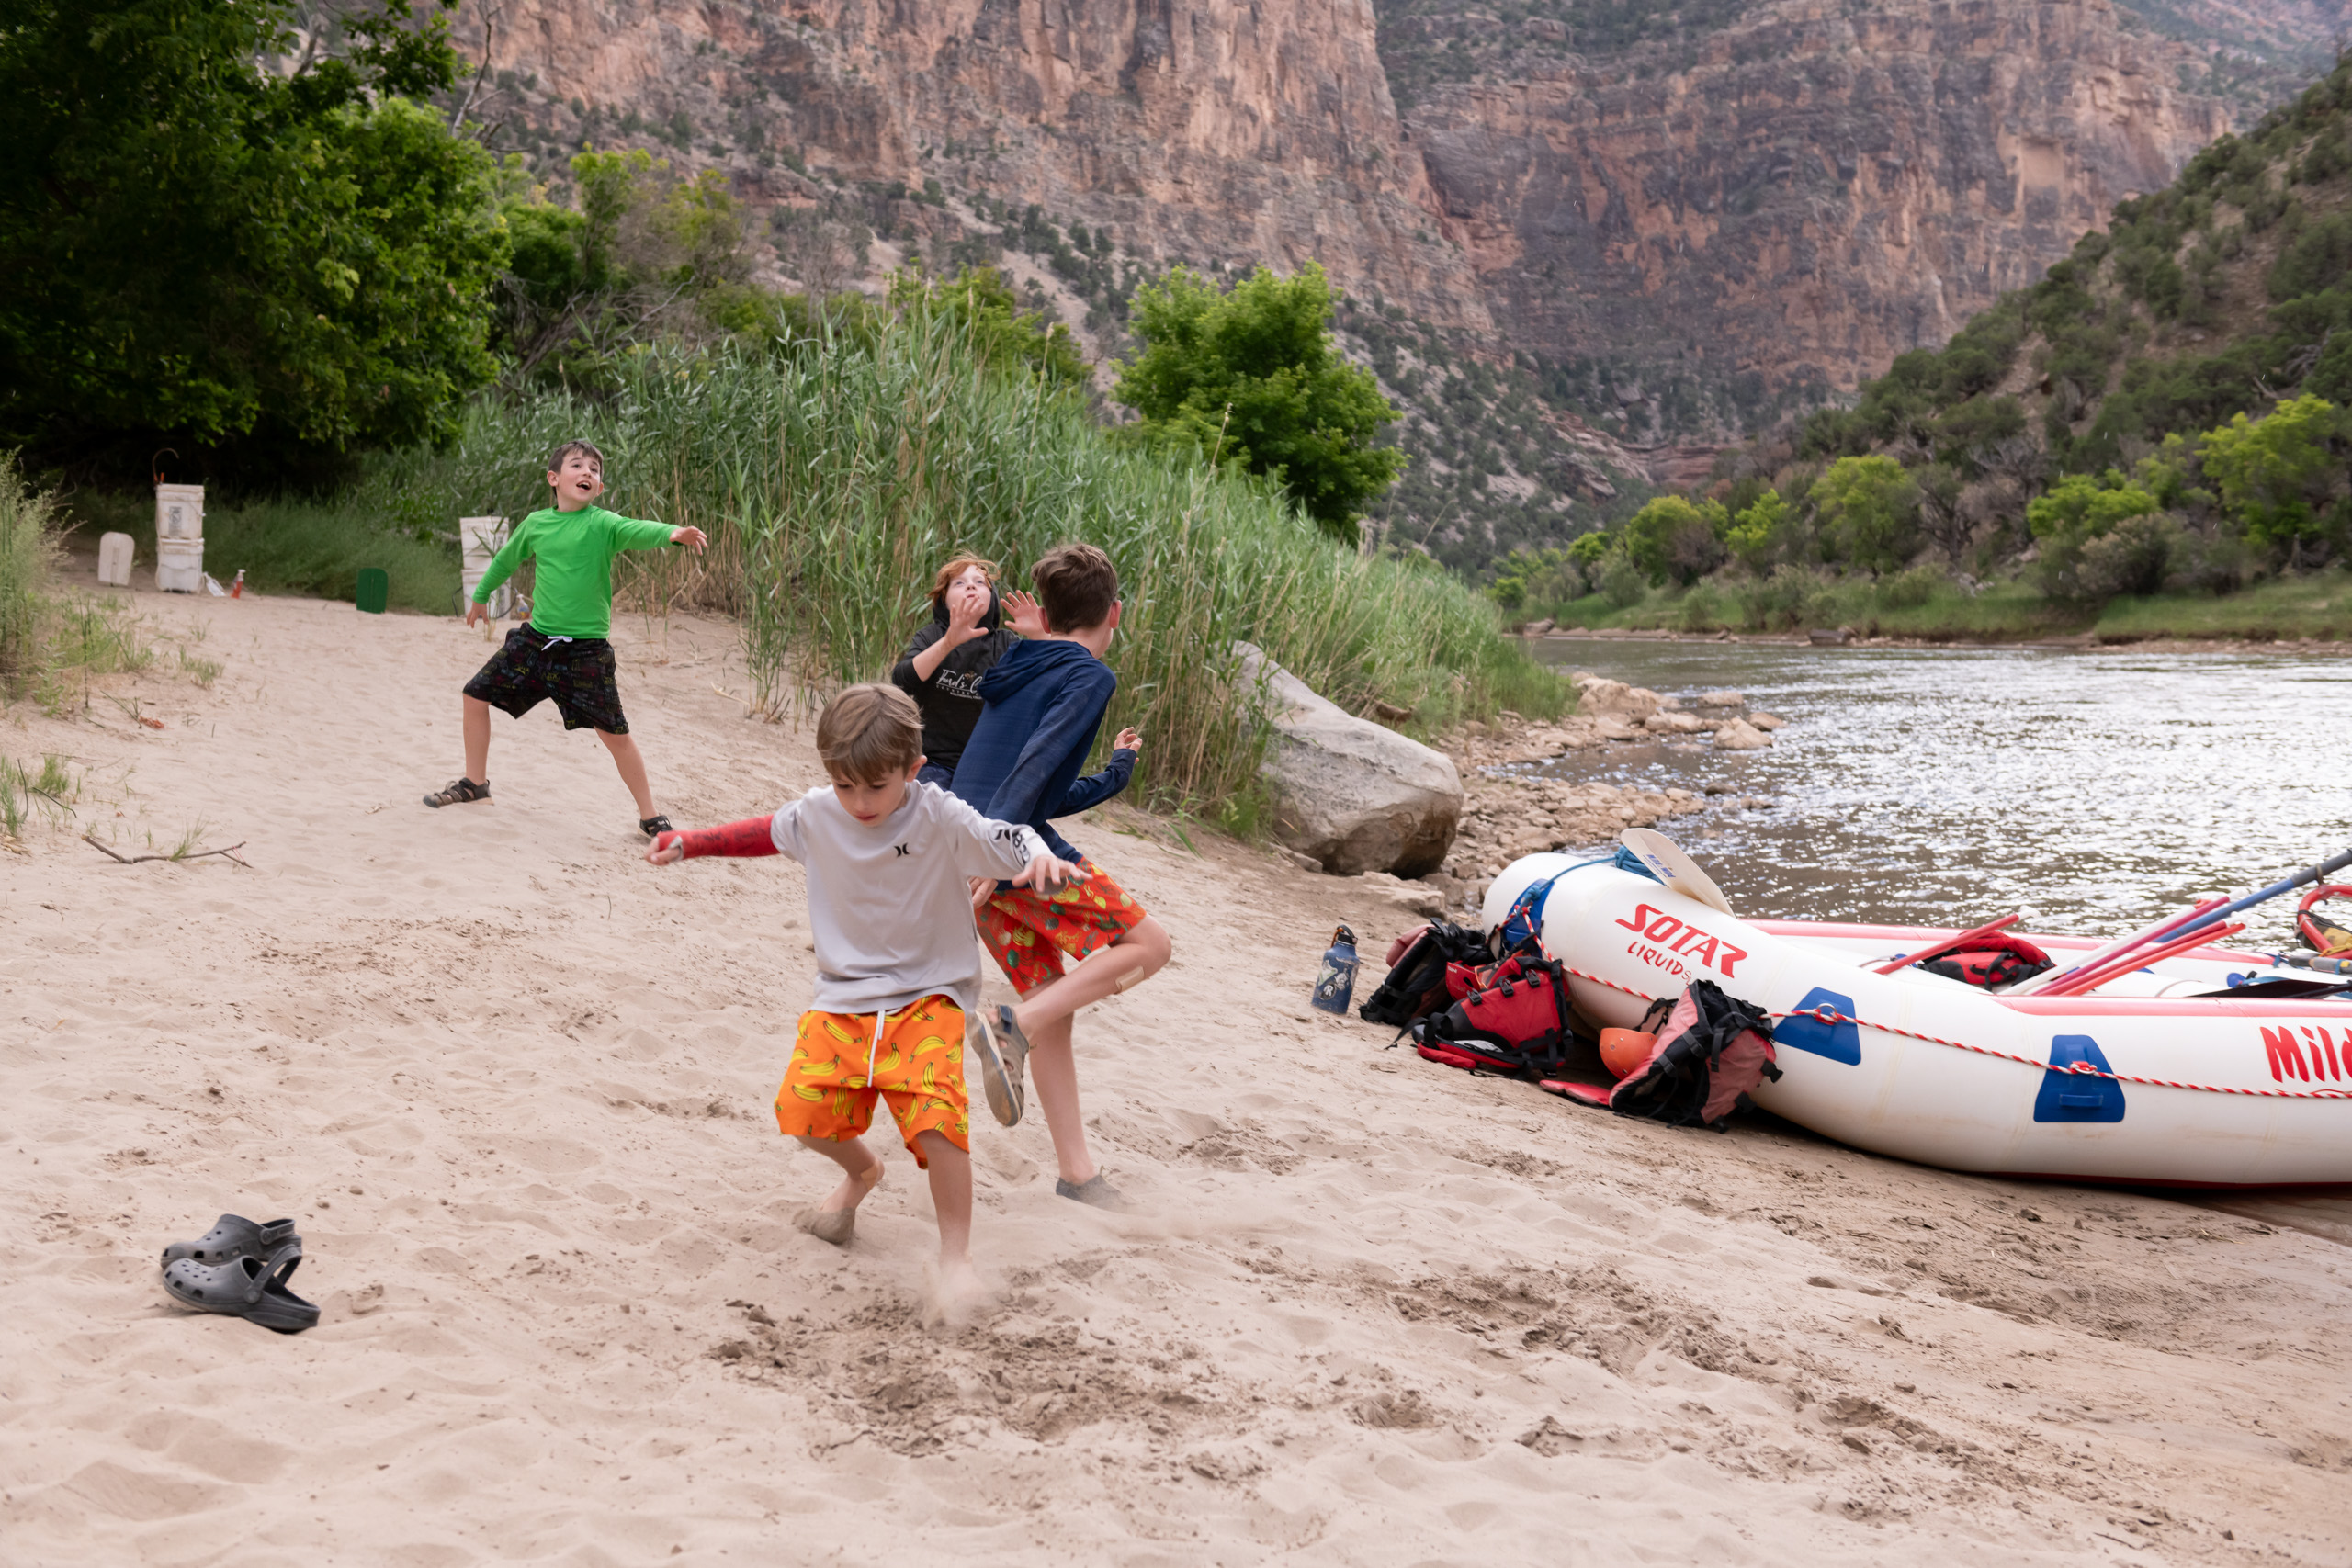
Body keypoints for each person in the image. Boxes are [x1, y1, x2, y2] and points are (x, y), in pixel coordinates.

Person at [644, 683, 1078, 1315]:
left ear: (912, 768)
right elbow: (766, 831)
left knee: (936, 1117)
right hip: (844, 995)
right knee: (801, 1109)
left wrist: (1038, 856)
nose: (860, 801)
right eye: (845, 785)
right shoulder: (821, 813)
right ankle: (863, 1172)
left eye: (876, 785)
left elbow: (1008, 835)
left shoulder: (938, 815)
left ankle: (956, 1257)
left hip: (930, 994)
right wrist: (694, 841)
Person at [952, 543, 1173, 1209]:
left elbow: (1043, 783)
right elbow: (1038, 762)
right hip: (1007, 852)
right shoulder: (1090, 676)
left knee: (1057, 1002)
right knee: (1150, 945)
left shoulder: (1022, 659)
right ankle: (1010, 1024)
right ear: (1116, 612)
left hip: (976, 844)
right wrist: (1001, 845)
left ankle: (1078, 1173)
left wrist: (1115, 771)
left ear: (1044, 614)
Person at [423, 439, 707, 837]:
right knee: (475, 694)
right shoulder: (537, 524)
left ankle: (650, 816)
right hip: (536, 643)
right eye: (578, 465)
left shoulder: (602, 524)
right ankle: (475, 784)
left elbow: (637, 530)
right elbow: (506, 559)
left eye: (595, 469)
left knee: (616, 735)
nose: (588, 472)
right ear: (554, 478)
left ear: (600, 488)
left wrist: (673, 533)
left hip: (585, 653)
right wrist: (481, 596)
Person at [892, 553, 1144, 802]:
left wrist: (1040, 632)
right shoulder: (933, 636)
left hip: (988, 769)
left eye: (980, 582)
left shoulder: (1005, 643)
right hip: (934, 761)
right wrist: (949, 641)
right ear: (943, 600)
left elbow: (1054, 668)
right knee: (933, 806)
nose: (971, 585)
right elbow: (903, 679)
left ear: (992, 599)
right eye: (959, 583)